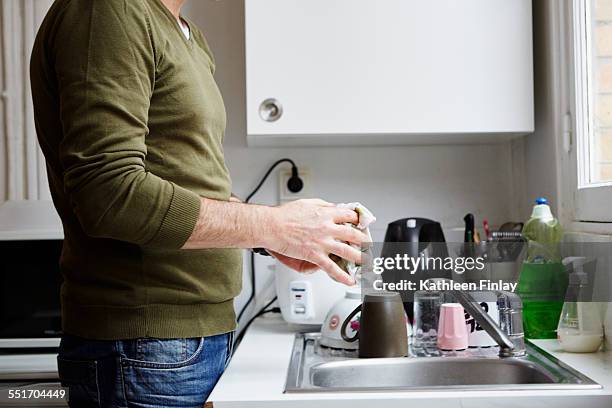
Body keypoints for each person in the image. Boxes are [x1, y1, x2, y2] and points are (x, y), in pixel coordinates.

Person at [29, 0, 366, 406]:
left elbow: (188, 181)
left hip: (185, 342)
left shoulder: (182, 31)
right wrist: (275, 225)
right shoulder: (109, 10)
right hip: (143, 347)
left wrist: (274, 238)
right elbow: (110, 193)